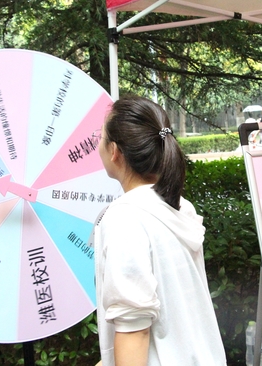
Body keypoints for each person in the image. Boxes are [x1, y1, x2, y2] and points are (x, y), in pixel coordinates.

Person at [93, 95, 227, 366]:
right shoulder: (179, 206)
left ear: (115, 151)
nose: (98, 145)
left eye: (101, 137)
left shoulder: (125, 218)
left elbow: (134, 329)